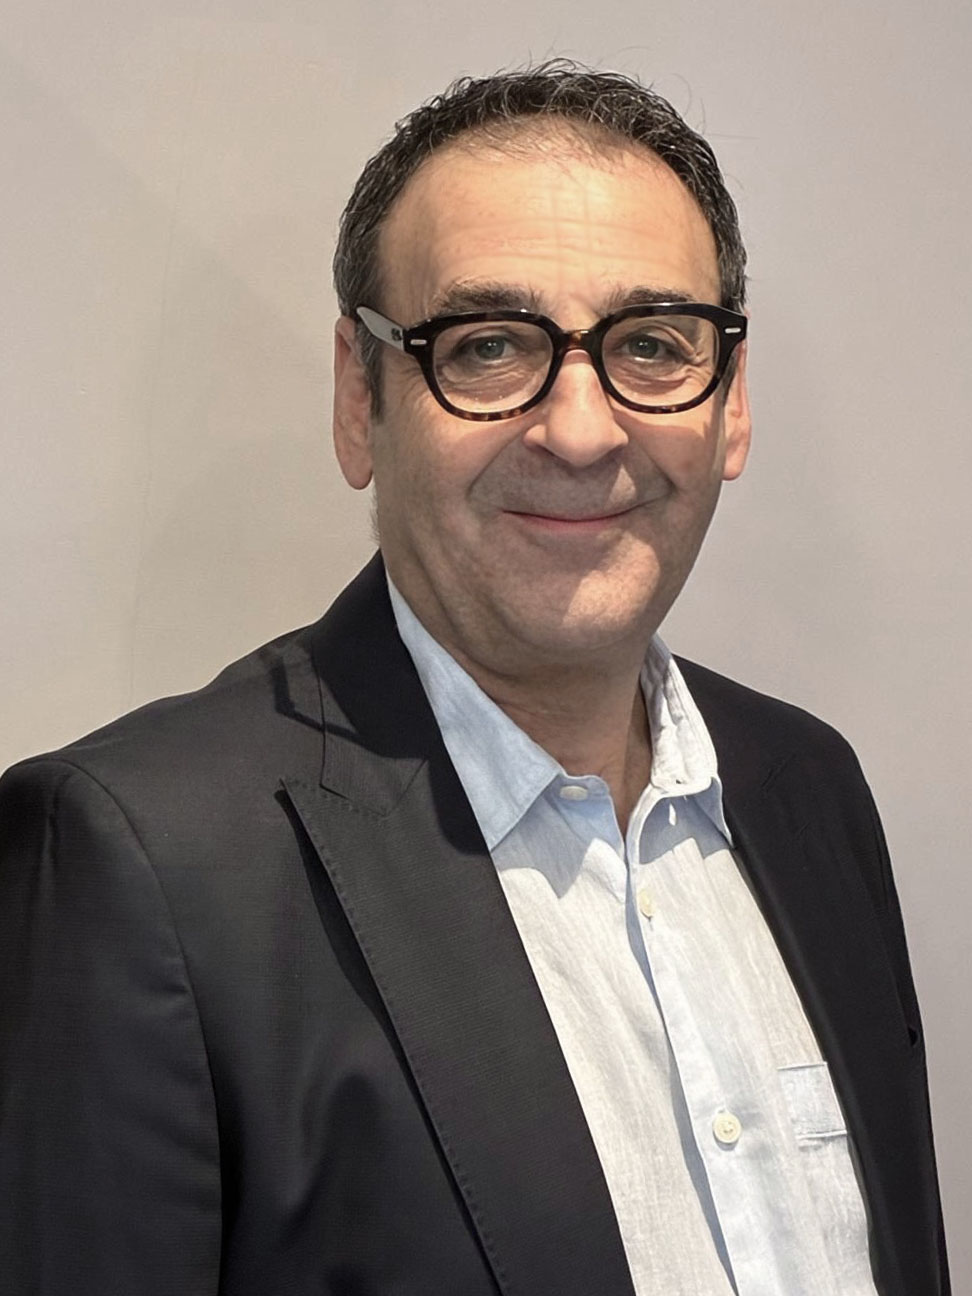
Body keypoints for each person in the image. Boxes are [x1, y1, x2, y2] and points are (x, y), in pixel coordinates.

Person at [0, 62, 949, 1296]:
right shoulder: (144, 865)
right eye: (490, 346)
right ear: (360, 399)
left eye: (652, 345)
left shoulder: (809, 790)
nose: (582, 429)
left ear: (731, 405)